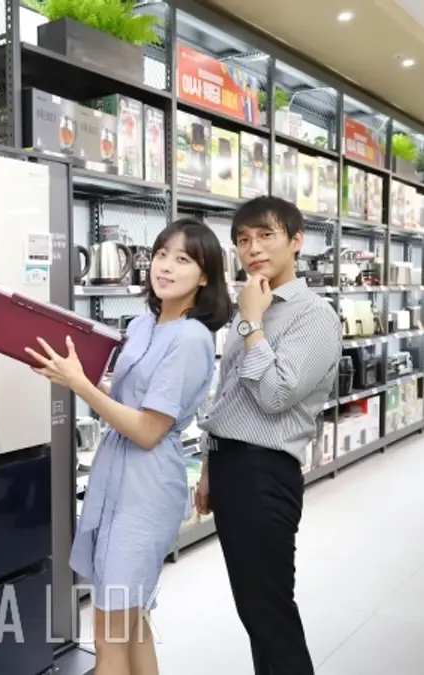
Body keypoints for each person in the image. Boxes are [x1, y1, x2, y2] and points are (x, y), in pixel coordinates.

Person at [26, 218, 231, 675]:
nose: (166, 266)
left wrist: (80, 385)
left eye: (183, 259)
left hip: (146, 488)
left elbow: (148, 430)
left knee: (109, 637)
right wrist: (76, 374)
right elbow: (126, 397)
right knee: (133, 624)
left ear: (204, 276)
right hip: (114, 476)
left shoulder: (192, 338)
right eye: (161, 254)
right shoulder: (141, 324)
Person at [195, 196, 342, 675]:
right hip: (232, 467)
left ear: (296, 241)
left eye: (265, 235)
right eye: (243, 239)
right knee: (255, 612)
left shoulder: (314, 315)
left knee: (270, 614)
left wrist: (252, 321)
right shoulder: (251, 303)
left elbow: (276, 394)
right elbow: (229, 395)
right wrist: (209, 467)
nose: (252, 248)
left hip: (265, 473)